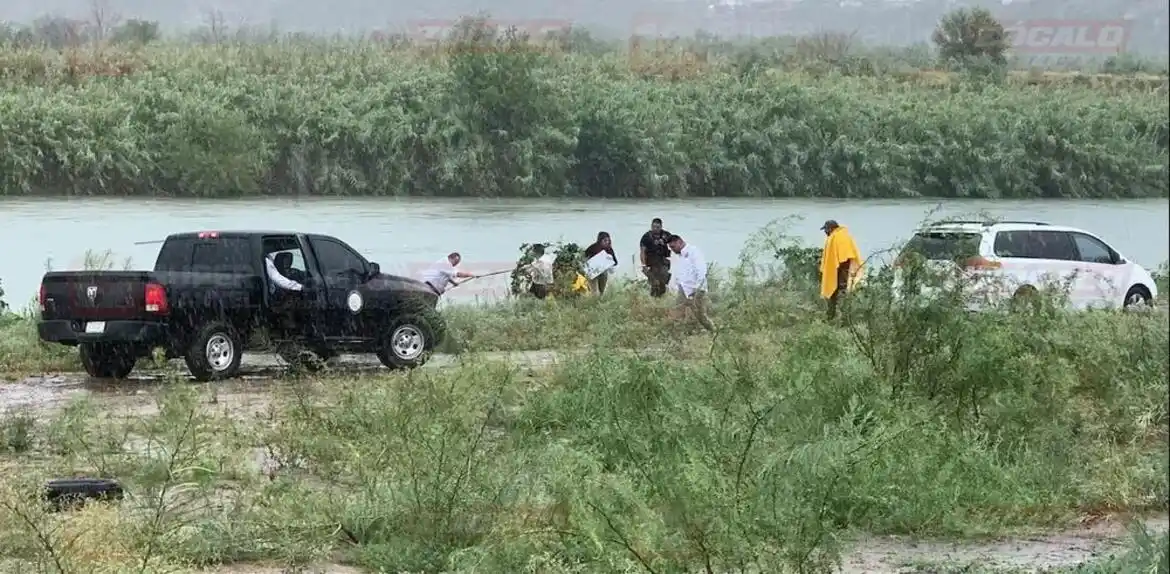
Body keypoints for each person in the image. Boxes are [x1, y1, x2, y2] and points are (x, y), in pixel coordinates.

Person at [667, 234, 714, 332]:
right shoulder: (680, 256)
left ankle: (713, 331)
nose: (672, 250)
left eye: (673, 247)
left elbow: (701, 271)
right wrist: (674, 285)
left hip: (696, 289)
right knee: (677, 312)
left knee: (700, 315)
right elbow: (680, 272)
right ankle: (677, 335)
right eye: (670, 248)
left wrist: (697, 289)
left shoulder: (694, 252)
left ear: (679, 242)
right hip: (684, 289)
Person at [819, 220, 862, 321]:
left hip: (840, 270)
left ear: (830, 229)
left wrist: (836, 270)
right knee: (841, 294)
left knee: (836, 294)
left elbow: (841, 257)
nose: (825, 232)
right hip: (845, 269)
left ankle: (835, 317)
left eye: (826, 230)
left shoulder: (835, 237)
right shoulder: (845, 236)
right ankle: (841, 317)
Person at [640, 218, 672, 297]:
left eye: (657, 227)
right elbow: (642, 252)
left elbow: (674, 247)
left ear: (661, 227)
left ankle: (662, 298)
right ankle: (653, 300)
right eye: (653, 227)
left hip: (663, 262)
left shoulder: (666, 235)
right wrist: (643, 265)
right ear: (651, 226)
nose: (655, 229)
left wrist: (664, 243)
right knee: (654, 283)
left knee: (663, 281)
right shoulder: (646, 237)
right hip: (652, 263)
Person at [583, 231, 618, 296]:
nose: (607, 242)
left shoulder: (609, 249)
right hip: (593, 273)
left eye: (608, 240)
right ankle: (594, 302)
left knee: (602, 291)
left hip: (603, 272)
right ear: (600, 240)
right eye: (605, 240)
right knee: (594, 292)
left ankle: (600, 300)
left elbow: (615, 262)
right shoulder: (593, 247)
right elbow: (584, 257)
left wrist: (609, 260)